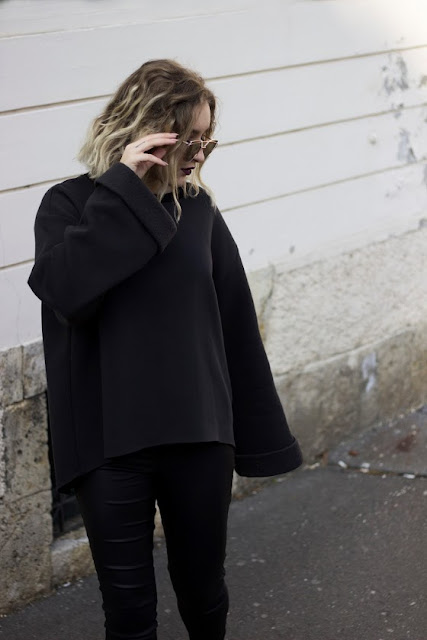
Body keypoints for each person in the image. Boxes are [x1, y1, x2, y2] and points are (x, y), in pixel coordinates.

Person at [27, 58, 303, 640]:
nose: (199, 153)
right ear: (146, 127)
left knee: (204, 594)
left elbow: (234, 324)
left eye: (207, 140)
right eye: (188, 138)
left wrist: (258, 435)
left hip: (198, 436)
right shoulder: (70, 205)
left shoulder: (197, 210)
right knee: (128, 612)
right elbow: (65, 291)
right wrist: (126, 191)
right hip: (110, 444)